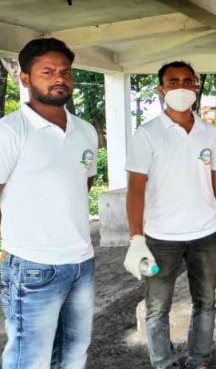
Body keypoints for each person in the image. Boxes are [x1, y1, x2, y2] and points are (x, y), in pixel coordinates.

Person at [124, 61, 216, 369]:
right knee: (157, 309)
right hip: (160, 238)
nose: (181, 87)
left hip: (204, 234)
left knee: (206, 303)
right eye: (173, 81)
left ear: (196, 87)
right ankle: (164, 364)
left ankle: (199, 360)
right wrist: (136, 238)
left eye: (187, 81)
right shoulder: (147, 134)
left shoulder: (209, 133)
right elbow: (135, 189)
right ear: (161, 89)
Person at [0, 38, 97, 368]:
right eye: (49, 71)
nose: (60, 78)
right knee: (30, 359)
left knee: (73, 355)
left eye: (66, 72)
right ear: (25, 79)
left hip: (82, 262)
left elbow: (83, 182)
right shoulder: (10, 131)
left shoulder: (85, 131)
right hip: (31, 264)